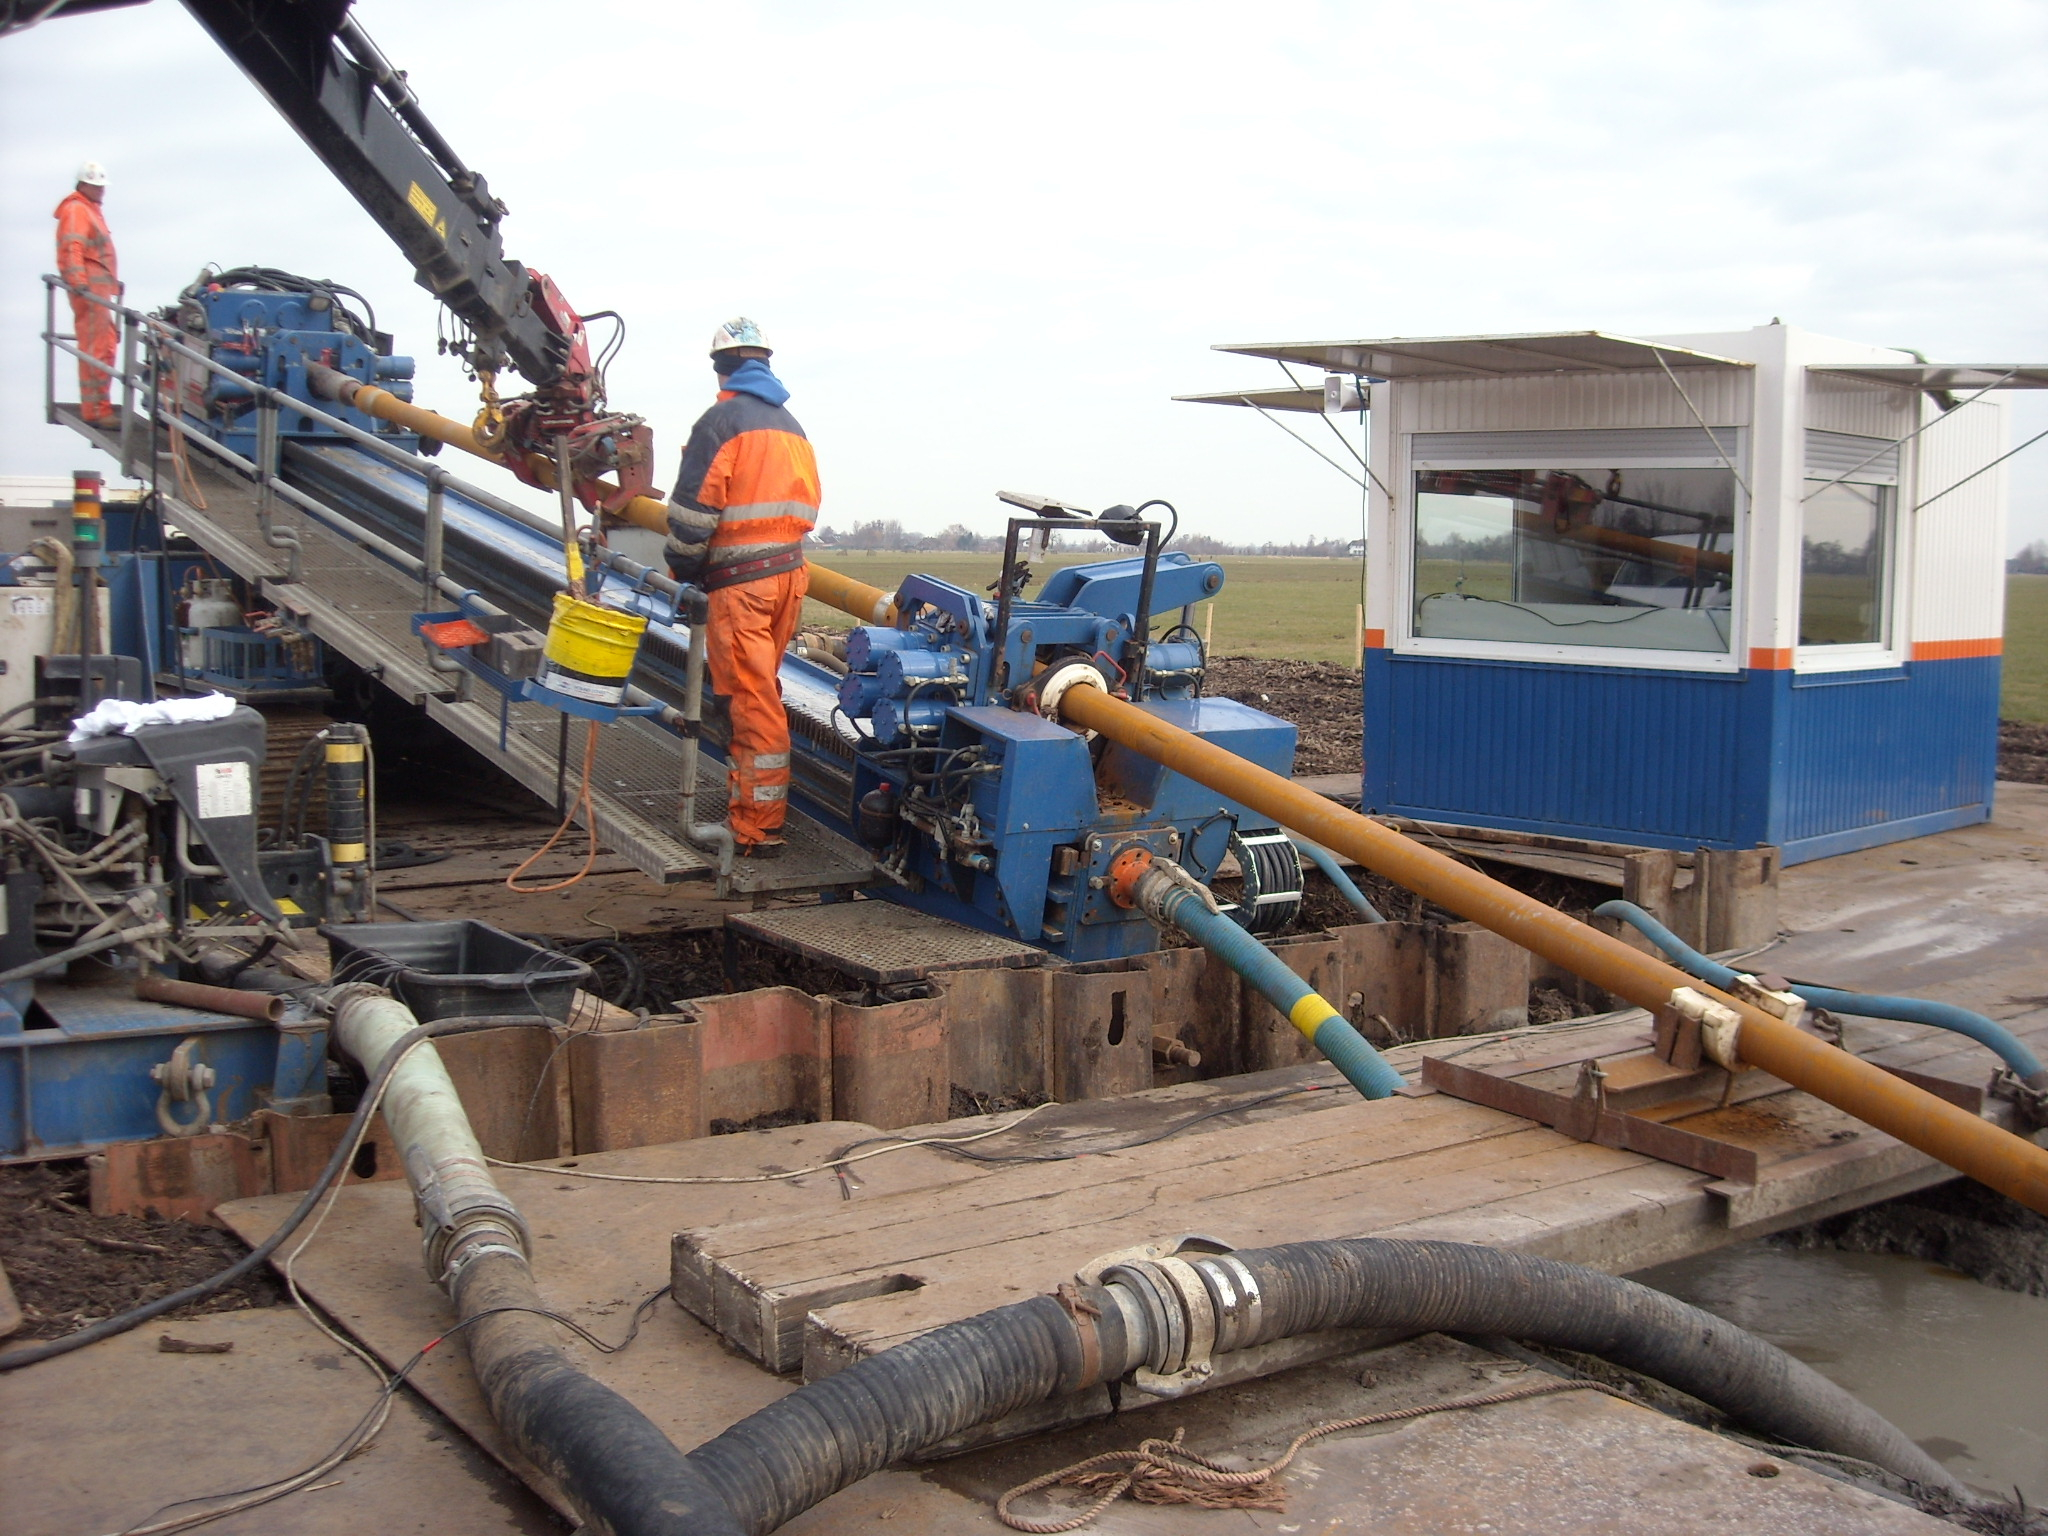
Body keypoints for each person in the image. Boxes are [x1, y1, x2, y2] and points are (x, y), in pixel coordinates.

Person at [666, 319, 821, 857]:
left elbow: (692, 515)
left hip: (742, 586)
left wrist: (680, 571)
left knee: (749, 704)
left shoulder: (721, 421)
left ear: (721, 367)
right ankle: (757, 804)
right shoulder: (790, 425)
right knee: (761, 692)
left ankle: (757, 826)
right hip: (787, 579)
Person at [54, 161, 121, 425]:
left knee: (106, 345)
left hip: (99, 290)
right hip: (90, 290)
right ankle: (96, 411)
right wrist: (79, 282)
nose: (101, 191)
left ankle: (100, 405)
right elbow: (73, 247)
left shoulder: (88, 210)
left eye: (102, 187)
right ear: (83, 185)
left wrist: (113, 285)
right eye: (96, 186)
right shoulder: (77, 210)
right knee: (96, 348)